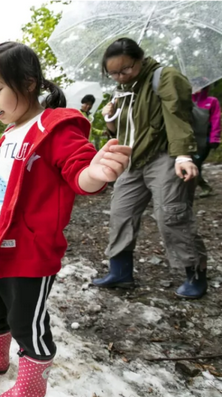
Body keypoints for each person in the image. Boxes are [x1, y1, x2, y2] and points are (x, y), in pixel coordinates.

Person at [0, 42, 131, 397]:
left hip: (28, 245)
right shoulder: (8, 134)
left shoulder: (55, 126)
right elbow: (9, 181)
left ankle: (32, 385)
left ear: (29, 82)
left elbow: (76, 170)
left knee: (25, 317)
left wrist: (94, 171)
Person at [92, 38, 209, 300]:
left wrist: (182, 157)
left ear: (140, 59)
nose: (120, 76)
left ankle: (195, 272)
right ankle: (120, 272)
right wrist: (111, 118)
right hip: (132, 160)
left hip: (164, 155)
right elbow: (122, 131)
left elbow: (178, 116)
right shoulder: (123, 89)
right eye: (113, 73)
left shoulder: (165, 77)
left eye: (126, 69)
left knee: (172, 215)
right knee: (120, 213)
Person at [192, 85, 220, 197]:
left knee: (195, 164)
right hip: (190, 139)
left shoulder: (212, 101)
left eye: (200, 85)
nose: (197, 87)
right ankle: (203, 186)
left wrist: (215, 138)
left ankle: (195, 189)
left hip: (205, 140)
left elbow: (216, 120)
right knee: (188, 164)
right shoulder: (186, 100)